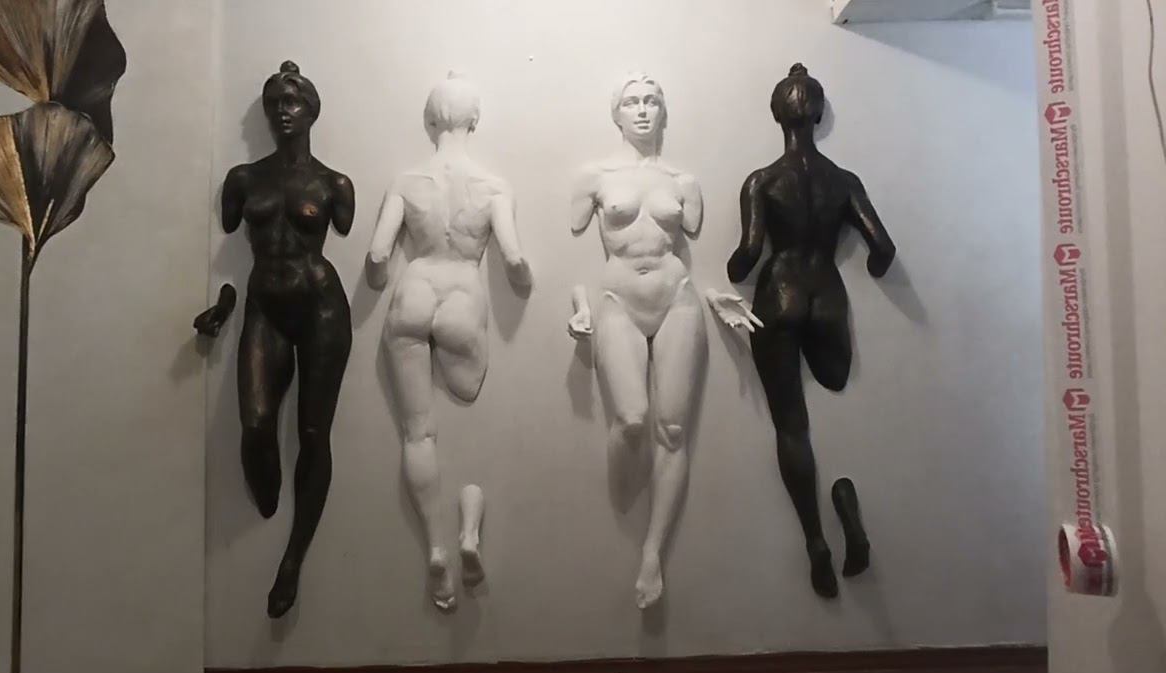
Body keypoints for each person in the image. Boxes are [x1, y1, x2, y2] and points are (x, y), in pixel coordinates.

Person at [570, 73, 758, 610]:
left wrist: (715, 295)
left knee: (673, 430)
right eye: (631, 102)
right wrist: (578, 305)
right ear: (616, 114)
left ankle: (652, 552)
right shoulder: (594, 177)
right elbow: (574, 236)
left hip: (677, 297)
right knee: (631, 419)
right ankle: (624, 505)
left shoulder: (683, 181)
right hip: (618, 297)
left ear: (663, 112)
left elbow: (696, 238)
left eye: (651, 101)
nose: (642, 110)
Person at [725, 64, 894, 598]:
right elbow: (883, 249)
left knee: (791, 426)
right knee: (836, 381)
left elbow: (748, 254)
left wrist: (729, 270)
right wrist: (873, 272)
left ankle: (815, 540)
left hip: (780, 294)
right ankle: (846, 507)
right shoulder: (843, 181)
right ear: (818, 115)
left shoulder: (763, 180)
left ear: (778, 116)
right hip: (826, 295)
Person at [367, 73, 532, 610]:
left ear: (432, 119)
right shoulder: (493, 185)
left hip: (414, 288)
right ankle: (469, 530)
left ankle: (436, 548)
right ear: (474, 119)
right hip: (462, 289)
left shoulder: (407, 180)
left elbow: (377, 258)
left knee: (418, 433)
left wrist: (377, 280)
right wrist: (524, 282)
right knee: (465, 387)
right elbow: (513, 260)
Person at [197, 61, 355, 618]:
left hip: (322, 308)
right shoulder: (243, 180)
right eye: (273, 104)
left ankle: (292, 559)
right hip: (264, 306)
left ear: (312, 111)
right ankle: (266, 500)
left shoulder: (336, 185)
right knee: (257, 425)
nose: (282, 112)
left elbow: (343, 228)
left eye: (292, 102)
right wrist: (224, 305)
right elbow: (223, 249)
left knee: (314, 432)